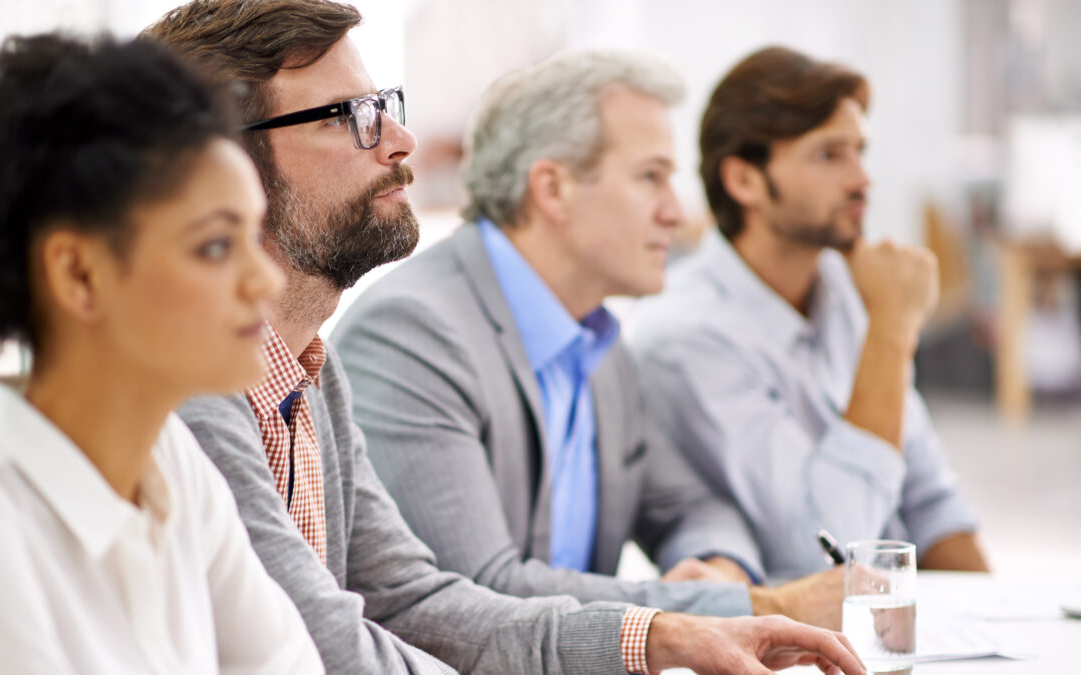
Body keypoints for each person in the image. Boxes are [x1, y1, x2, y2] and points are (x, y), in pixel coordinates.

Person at [146, 2, 866, 674]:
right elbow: (323, 640)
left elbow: (412, 599)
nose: (401, 140)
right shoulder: (200, 377)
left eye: (384, 108)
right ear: (228, 166)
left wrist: (663, 634)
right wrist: (746, 608)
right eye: (349, 117)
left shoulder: (310, 371)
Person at [332, 48, 843, 626]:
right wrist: (744, 604)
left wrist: (718, 564)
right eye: (652, 177)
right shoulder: (414, 334)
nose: (676, 214)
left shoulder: (599, 343)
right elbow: (479, 593)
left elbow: (690, 506)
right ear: (553, 189)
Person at [0, 33, 322, 673]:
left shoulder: (172, 464)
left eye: (255, 236)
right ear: (79, 274)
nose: (267, 280)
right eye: (217, 247)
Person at [630, 46, 989, 580]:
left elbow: (931, 505)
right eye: (829, 155)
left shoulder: (847, 290)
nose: (862, 179)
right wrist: (891, 328)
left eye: (860, 151)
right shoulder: (683, 337)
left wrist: (1016, 628)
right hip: (803, 646)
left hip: (902, 622)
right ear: (744, 181)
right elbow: (828, 547)